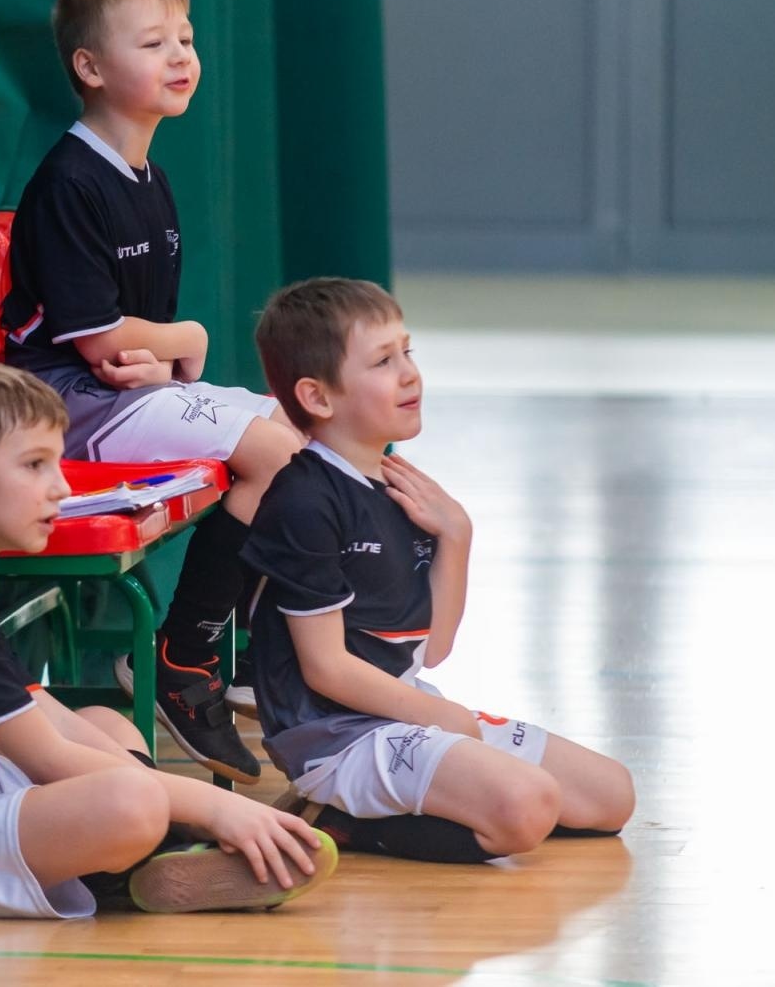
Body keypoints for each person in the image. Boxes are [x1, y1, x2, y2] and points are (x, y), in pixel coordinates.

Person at [0, 359, 335, 918]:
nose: (62, 486)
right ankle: (143, 854)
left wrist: (186, 801)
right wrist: (215, 808)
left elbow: (47, 715)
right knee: (133, 800)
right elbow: (48, 759)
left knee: (103, 723)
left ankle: (149, 858)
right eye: (35, 466)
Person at [0, 0, 300, 784]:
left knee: (303, 446)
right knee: (276, 459)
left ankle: (210, 651)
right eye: (153, 43)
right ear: (89, 68)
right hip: (69, 407)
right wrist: (191, 339)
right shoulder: (69, 183)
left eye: (186, 38)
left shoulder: (150, 179)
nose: (181, 57)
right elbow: (103, 344)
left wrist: (175, 353)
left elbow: (148, 345)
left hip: (123, 394)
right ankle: (182, 663)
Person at [241, 278, 636, 862]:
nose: (409, 374)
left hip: (404, 707)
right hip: (335, 738)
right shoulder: (306, 502)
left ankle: (438, 788)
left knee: (611, 797)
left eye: (408, 351)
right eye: (382, 361)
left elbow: (434, 649)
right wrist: (444, 718)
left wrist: (458, 534)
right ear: (319, 398)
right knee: (527, 808)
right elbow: (325, 669)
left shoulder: (398, 484)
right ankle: (336, 817)